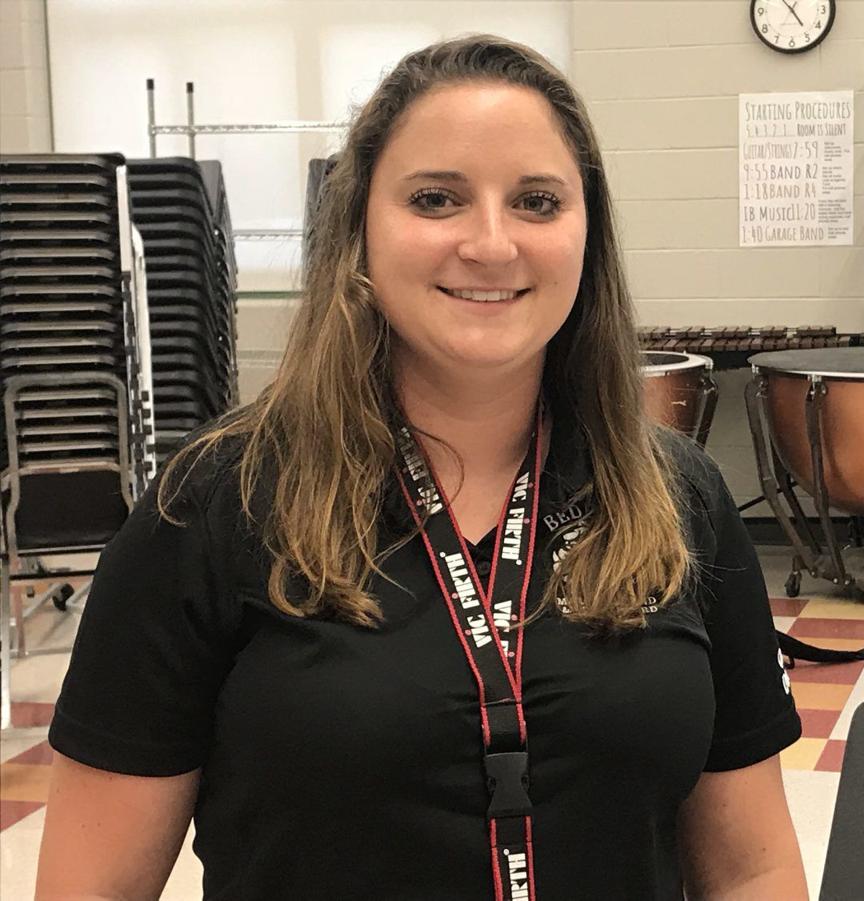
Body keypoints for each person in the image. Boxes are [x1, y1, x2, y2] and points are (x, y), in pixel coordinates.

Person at [36, 35, 807, 900]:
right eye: (436, 198)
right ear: (359, 226)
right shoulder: (212, 506)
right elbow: (90, 887)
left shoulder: (679, 501)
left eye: (537, 201)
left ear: (588, 234)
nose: (489, 242)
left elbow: (752, 868)